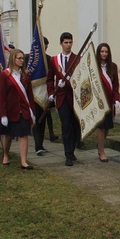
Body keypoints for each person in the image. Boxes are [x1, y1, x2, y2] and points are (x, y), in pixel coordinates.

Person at [0, 49, 35, 169]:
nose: (21, 60)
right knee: (8, 135)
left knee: (24, 134)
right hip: (10, 110)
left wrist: (32, 111)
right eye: (19, 58)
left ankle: (24, 161)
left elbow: (29, 94)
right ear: (13, 59)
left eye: (23, 58)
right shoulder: (5, 74)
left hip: (23, 109)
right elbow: (2, 96)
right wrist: (3, 114)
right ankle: (5, 154)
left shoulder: (26, 74)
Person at [47, 32, 80, 166]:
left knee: (75, 126)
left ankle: (72, 151)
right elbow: (49, 79)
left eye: (70, 42)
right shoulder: (54, 60)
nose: (68, 45)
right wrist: (51, 92)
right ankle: (68, 154)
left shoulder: (78, 59)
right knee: (66, 125)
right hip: (61, 98)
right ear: (61, 44)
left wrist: (69, 82)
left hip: (74, 97)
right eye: (65, 43)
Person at [32, 37, 59, 156]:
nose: (44, 48)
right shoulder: (30, 59)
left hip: (46, 93)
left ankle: (40, 144)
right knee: (36, 120)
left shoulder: (50, 60)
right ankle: (37, 145)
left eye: (46, 46)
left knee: (43, 120)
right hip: (33, 94)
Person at [96, 43, 120, 162]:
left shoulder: (113, 67)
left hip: (110, 102)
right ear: (98, 53)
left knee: (107, 127)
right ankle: (102, 151)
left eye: (106, 52)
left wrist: (117, 99)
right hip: (99, 102)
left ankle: (100, 145)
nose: (104, 54)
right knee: (101, 126)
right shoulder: (95, 67)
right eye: (102, 51)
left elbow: (115, 86)